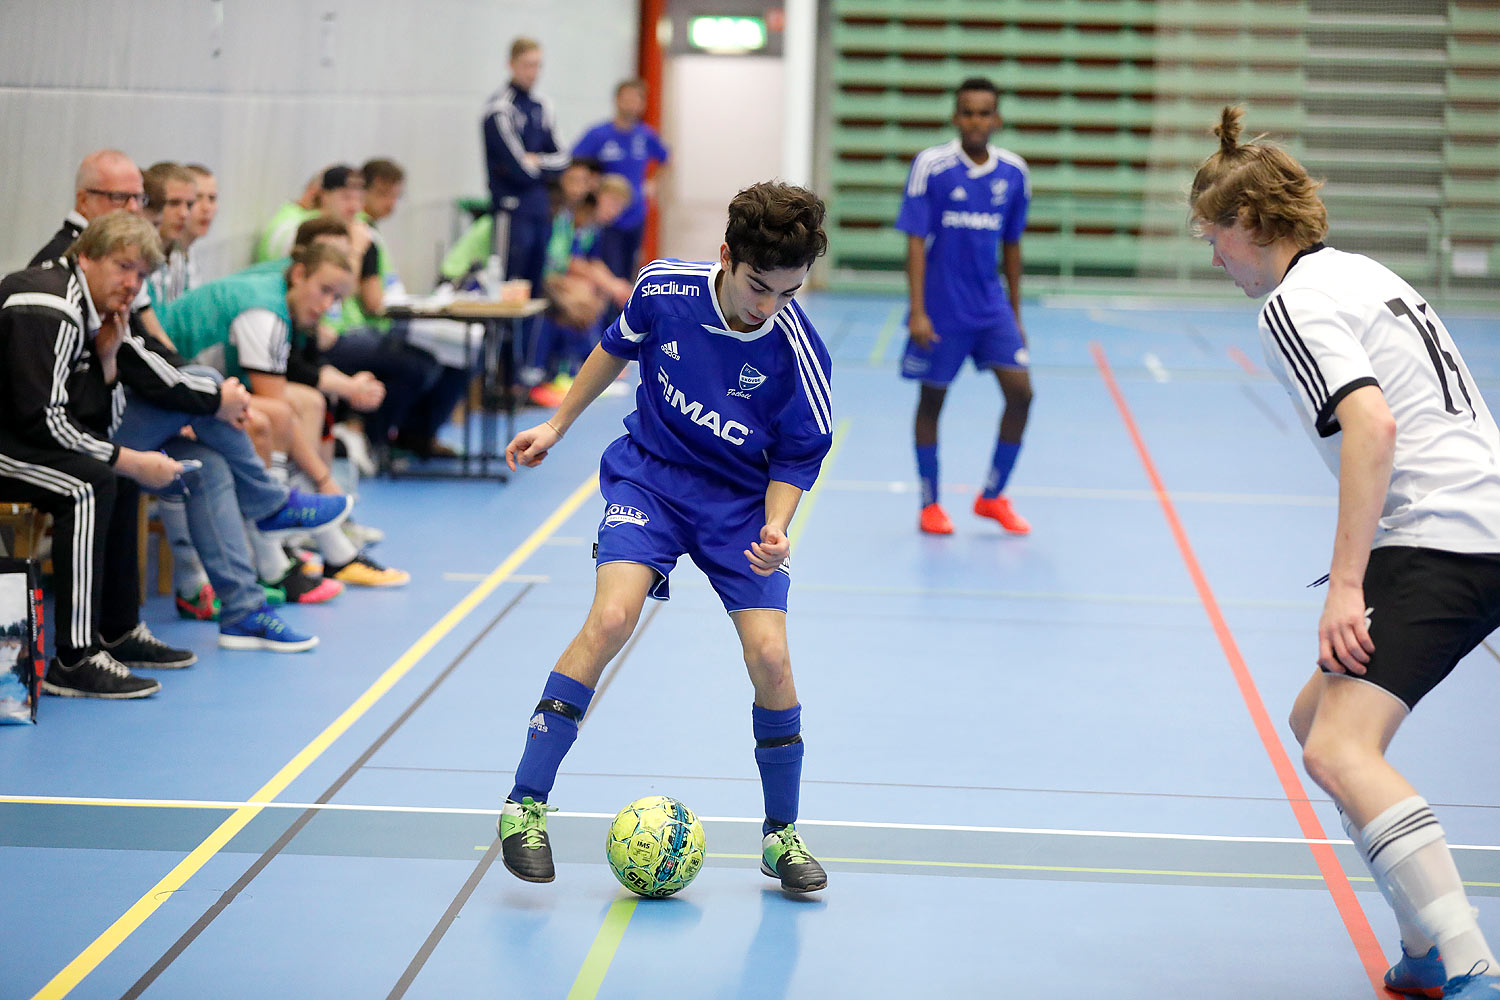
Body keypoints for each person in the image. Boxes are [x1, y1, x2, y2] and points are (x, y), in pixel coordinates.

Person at [1191, 105, 1500, 1000]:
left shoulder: (1292, 302)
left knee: (1339, 748)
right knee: (1312, 721)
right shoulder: (1363, 273)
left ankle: (1469, 961)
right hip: (1478, 521)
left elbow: (1372, 422)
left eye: (1216, 238)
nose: (1215, 258)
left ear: (1252, 226)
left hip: (1443, 535)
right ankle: (1424, 943)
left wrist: (1349, 584)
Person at [495, 181, 834, 894]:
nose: (768, 307)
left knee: (771, 657)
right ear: (726, 257)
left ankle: (781, 836)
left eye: (788, 293)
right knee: (612, 616)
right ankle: (525, 805)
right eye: (758, 286)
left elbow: (799, 456)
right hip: (650, 479)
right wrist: (555, 425)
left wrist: (777, 525)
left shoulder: (799, 354)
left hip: (741, 506)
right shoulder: (663, 288)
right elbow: (614, 348)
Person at [896, 77, 1033, 536]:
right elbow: (915, 242)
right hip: (941, 309)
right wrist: (917, 310)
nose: (977, 120)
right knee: (932, 401)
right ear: (957, 118)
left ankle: (991, 497)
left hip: (992, 308)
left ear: (997, 118)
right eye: (968, 112)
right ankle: (929, 504)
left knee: (1022, 394)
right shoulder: (931, 166)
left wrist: (1015, 313)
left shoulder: (1015, 172)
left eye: (985, 112)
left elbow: (1012, 246)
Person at [482, 37, 570, 295]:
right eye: (527, 65)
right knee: (509, 286)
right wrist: (539, 166)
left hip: (540, 210)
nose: (533, 72)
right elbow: (519, 168)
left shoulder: (542, 107)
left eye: (537, 65)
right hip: (511, 211)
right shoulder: (499, 110)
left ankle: (528, 337)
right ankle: (504, 338)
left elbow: (564, 160)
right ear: (511, 64)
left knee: (535, 291)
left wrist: (538, 160)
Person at [571, 79, 670, 281]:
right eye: (627, 98)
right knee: (607, 270)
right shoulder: (599, 134)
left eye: (637, 98)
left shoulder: (644, 135)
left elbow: (666, 159)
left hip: (635, 215)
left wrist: (652, 182)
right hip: (608, 219)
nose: (632, 103)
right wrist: (592, 187)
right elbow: (574, 161)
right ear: (617, 100)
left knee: (629, 272)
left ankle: (623, 310)